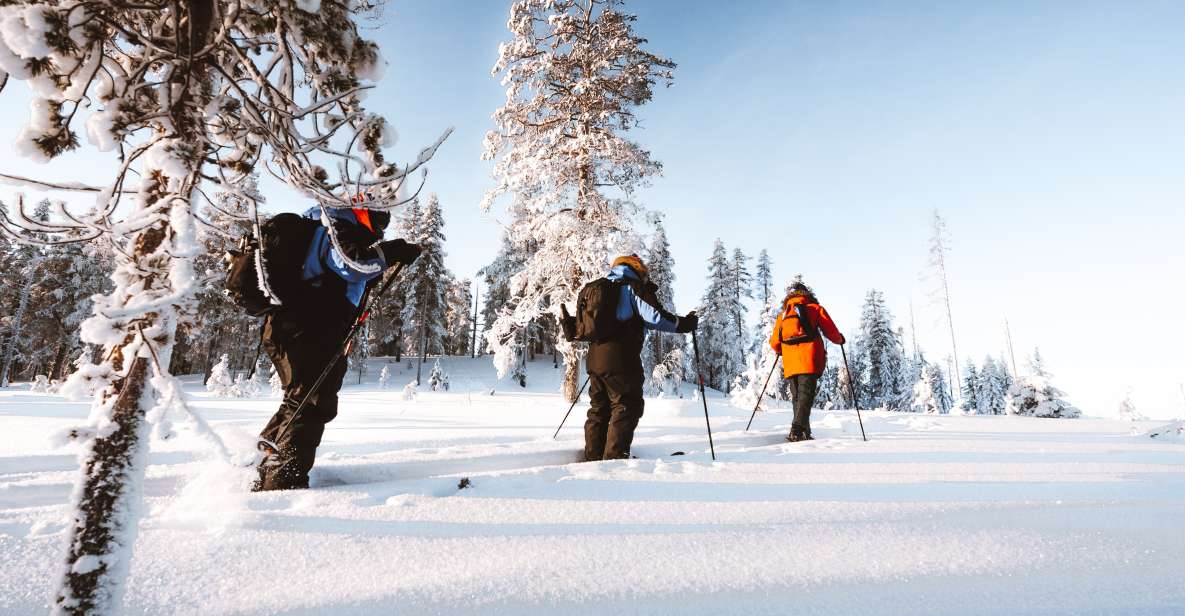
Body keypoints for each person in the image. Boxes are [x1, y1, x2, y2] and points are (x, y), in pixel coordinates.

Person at [254, 204, 420, 491]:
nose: (383, 224)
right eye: (381, 215)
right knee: (313, 401)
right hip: (305, 326)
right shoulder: (338, 224)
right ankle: (283, 483)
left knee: (301, 400)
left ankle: (261, 464)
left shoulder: (330, 226)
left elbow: (350, 272)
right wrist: (391, 252)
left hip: (297, 326)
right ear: (363, 208)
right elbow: (353, 265)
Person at [582, 255, 698, 461]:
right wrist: (685, 324)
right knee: (627, 404)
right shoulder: (631, 287)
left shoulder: (595, 288)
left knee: (599, 407)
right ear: (638, 269)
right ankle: (615, 458)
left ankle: (592, 457)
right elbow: (656, 317)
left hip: (594, 356)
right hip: (621, 356)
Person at [768, 279, 845, 442]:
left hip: (790, 363)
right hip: (809, 358)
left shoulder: (783, 315)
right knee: (806, 396)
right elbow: (830, 330)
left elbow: (775, 343)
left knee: (797, 397)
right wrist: (840, 340)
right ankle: (797, 430)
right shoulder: (814, 308)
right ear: (807, 294)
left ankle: (804, 432)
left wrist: (783, 350)